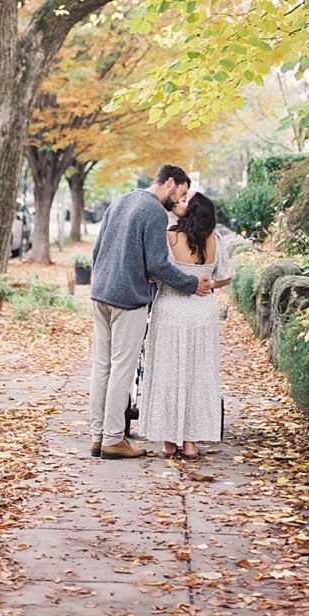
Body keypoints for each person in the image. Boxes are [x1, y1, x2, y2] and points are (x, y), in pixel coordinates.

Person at [89, 165, 212, 460]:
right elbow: (158, 263)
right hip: (128, 298)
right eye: (180, 193)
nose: (178, 200)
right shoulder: (155, 212)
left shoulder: (120, 199)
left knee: (101, 366)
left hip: (101, 292)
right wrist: (191, 283)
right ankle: (113, 439)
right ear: (170, 183)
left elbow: (97, 250)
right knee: (122, 368)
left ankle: (97, 436)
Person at [138, 191, 232, 460]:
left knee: (168, 372)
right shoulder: (215, 240)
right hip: (202, 313)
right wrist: (207, 283)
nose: (179, 202)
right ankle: (190, 443)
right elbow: (224, 277)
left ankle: (169, 442)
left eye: (184, 201)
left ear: (190, 212)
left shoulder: (171, 237)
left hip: (170, 310)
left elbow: (156, 271)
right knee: (197, 374)